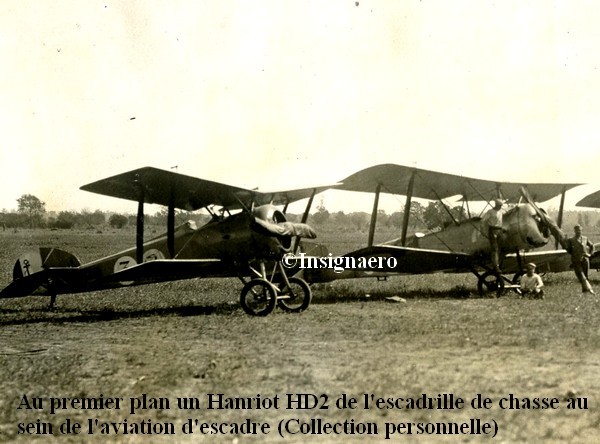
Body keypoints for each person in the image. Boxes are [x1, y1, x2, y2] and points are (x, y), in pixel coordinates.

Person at [565, 224, 595, 294]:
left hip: (585, 260)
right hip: (576, 261)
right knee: (581, 276)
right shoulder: (571, 240)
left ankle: (585, 291)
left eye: (580, 230)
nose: (579, 232)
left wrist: (590, 254)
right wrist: (574, 254)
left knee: (586, 276)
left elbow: (592, 245)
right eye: (577, 230)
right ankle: (590, 290)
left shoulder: (585, 238)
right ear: (574, 231)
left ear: (581, 230)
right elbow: (568, 250)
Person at [482, 198, 505, 272]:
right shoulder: (490, 212)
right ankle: (495, 266)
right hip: (493, 230)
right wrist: (483, 230)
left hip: (500, 230)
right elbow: (483, 221)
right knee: (495, 249)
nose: (500, 206)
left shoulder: (501, 211)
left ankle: (499, 265)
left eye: (501, 205)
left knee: (501, 248)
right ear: (496, 204)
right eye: (499, 205)